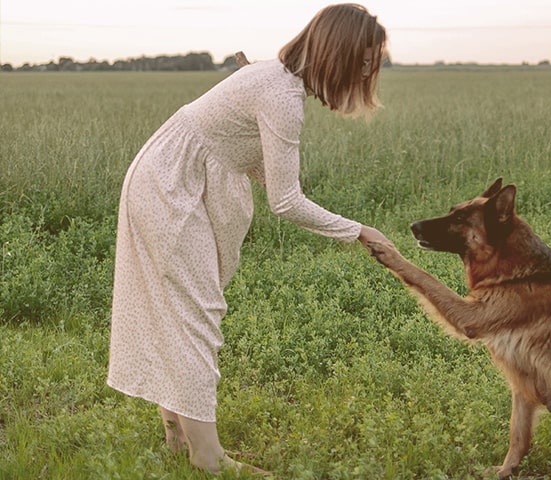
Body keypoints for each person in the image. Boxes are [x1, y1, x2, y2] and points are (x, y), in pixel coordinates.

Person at [107, 3, 388, 475]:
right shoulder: (281, 96)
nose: (367, 72)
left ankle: (178, 437)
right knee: (197, 314)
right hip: (170, 185)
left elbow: (241, 152)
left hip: (173, 176)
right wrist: (358, 230)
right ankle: (208, 458)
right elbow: (286, 202)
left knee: (183, 309)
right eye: (363, 61)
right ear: (337, 54)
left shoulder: (274, 78)